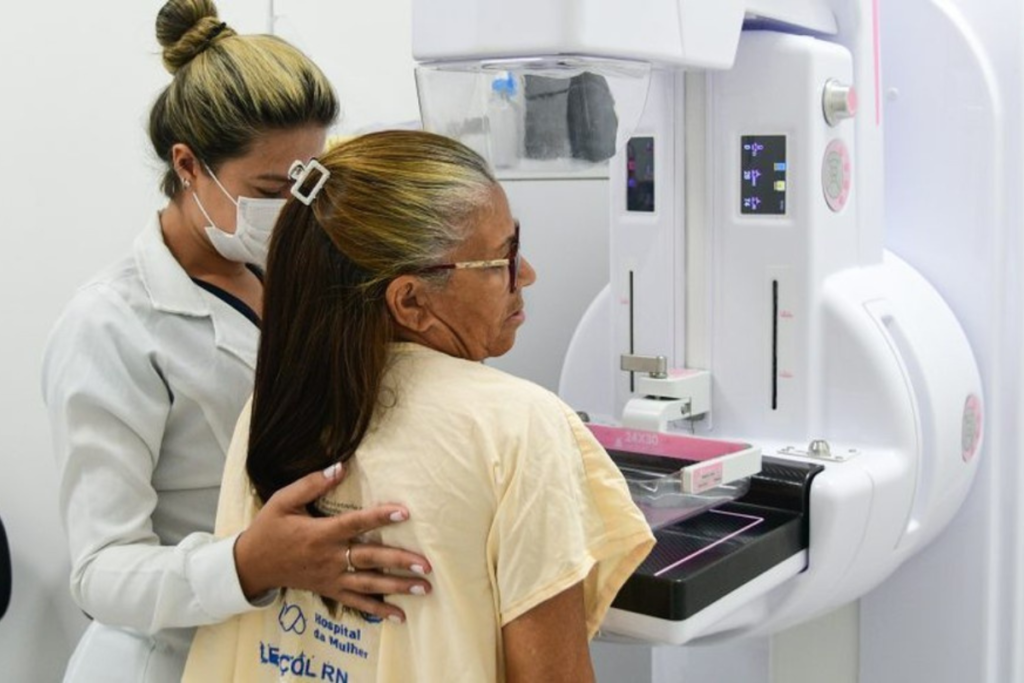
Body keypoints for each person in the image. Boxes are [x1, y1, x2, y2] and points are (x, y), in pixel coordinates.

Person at [41, 2, 431, 681]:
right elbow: (100, 571)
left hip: (284, 645)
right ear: (188, 165)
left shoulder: (288, 272)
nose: (295, 208)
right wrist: (251, 560)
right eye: (270, 189)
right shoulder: (110, 326)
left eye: (310, 182)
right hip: (164, 659)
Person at [181, 130, 656, 682]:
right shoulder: (519, 426)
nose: (526, 275)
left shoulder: (274, 406)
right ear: (411, 301)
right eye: (506, 256)